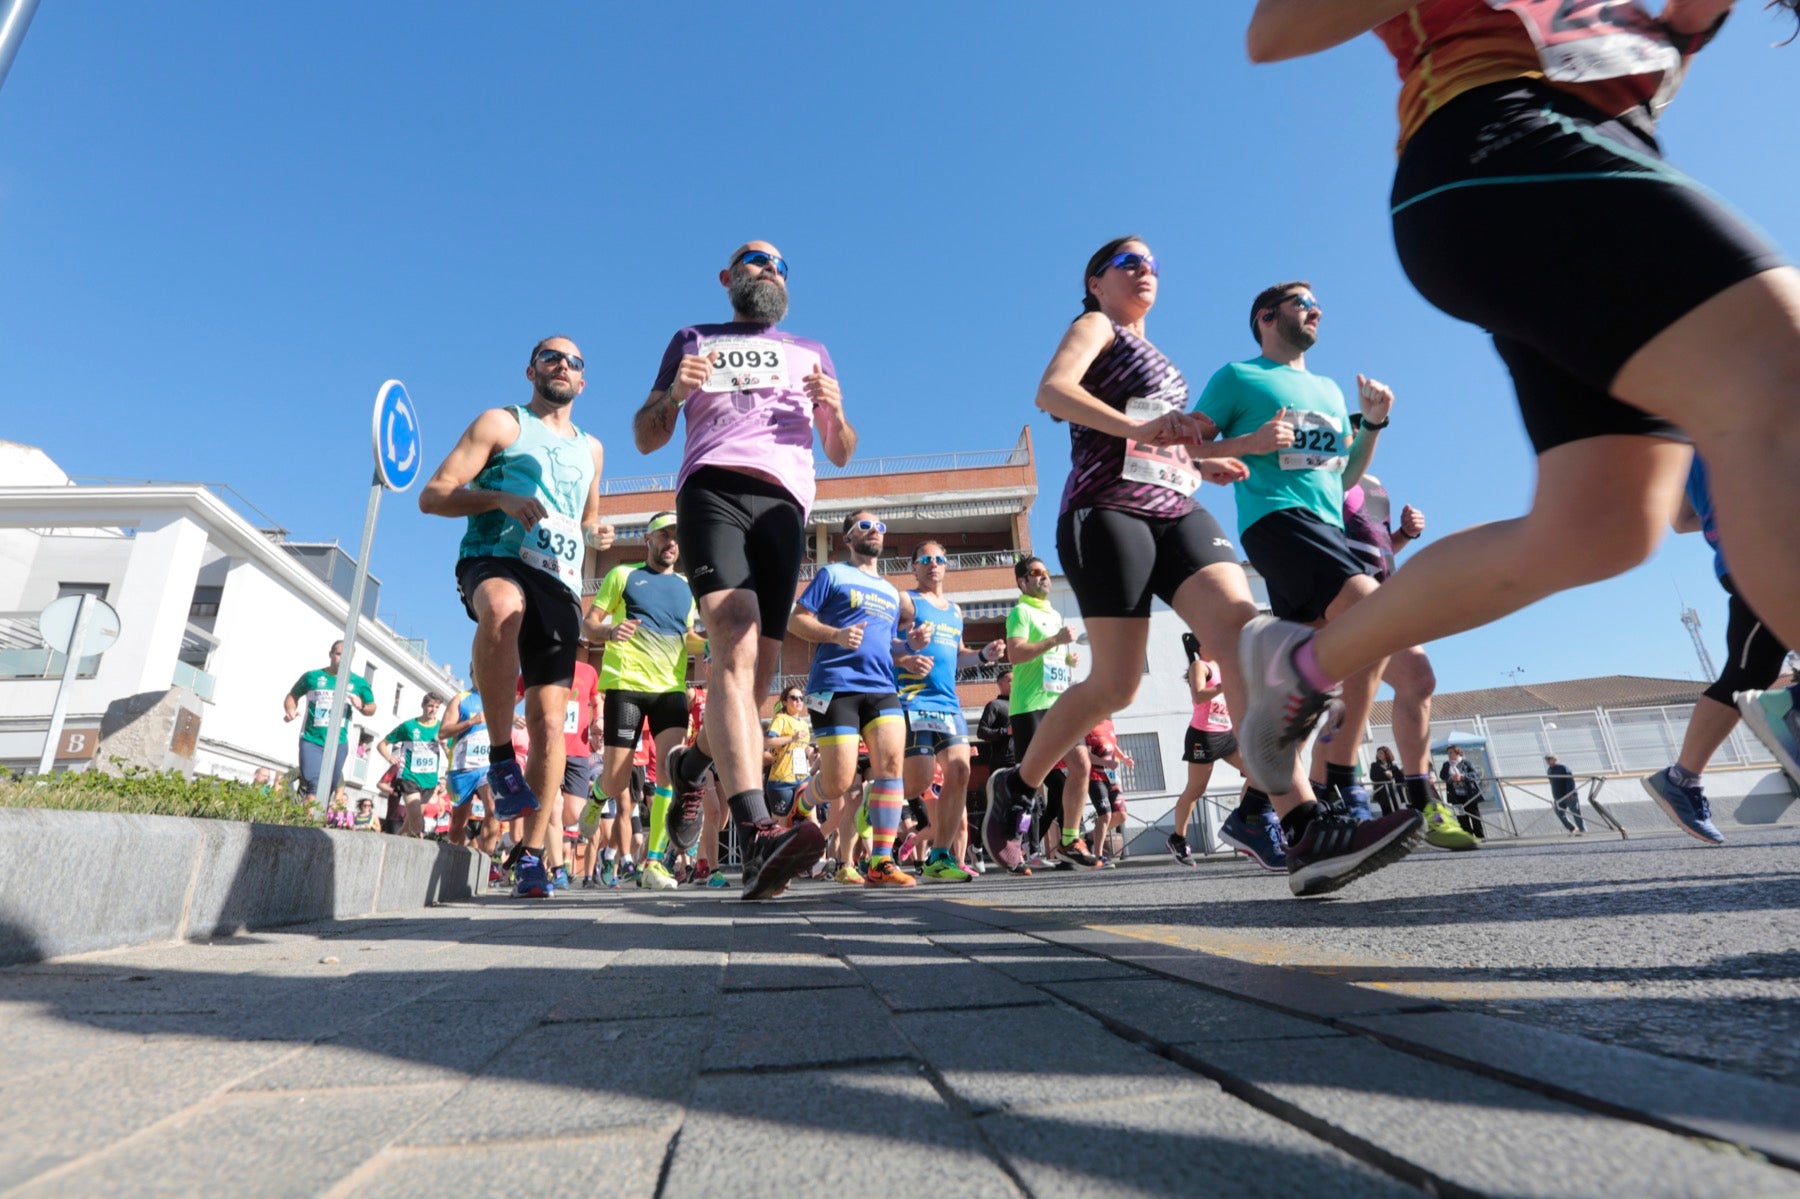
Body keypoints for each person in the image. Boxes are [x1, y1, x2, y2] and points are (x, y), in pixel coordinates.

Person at [1236, 3, 1800, 801]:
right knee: (1783, 373)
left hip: (1560, 180)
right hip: (1501, 150)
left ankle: (1300, 664)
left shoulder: (1648, 29)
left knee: (1602, 529)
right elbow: (1273, 33)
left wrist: (1689, 28)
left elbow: (1632, 63)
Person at [985, 237, 1421, 897]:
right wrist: (1142, 433)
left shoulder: (1166, 361)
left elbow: (1165, 441)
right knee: (1117, 684)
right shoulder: (1096, 324)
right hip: (1107, 509)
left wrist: (1205, 459)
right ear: (1096, 281)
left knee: (1242, 635)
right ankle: (1016, 784)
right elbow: (1054, 391)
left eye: (1153, 264)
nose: (1145, 271)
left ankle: (1298, 823)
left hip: (1176, 508)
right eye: (1129, 262)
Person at [634, 241, 852, 900]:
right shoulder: (693, 337)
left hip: (786, 505)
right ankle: (760, 830)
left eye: (780, 265)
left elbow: (841, 451)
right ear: (728, 278)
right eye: (755, 261)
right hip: (712, 488)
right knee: (733, 631)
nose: (769, 270)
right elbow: (647, 433)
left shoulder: (811, 349)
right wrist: (673, 393)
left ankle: (694, 763)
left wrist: (835, 411)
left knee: (755, 676)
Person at [1192, 282, 1435, 838]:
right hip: (1277, 519)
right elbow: (1187, 451)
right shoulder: (1238, 376)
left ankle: (1255, 810)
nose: (1316, 309)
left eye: (1316, 303)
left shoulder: (1326, 388)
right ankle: (1340, 778)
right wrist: (1250, 443)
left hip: (1327, 528)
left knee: (1306, 684)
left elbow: (1342, 478)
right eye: (1303, 302)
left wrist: (1371, 425)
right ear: (1266, 317)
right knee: (1373, 616)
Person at [417, 334, 612, 899]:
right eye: (551, 356)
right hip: (495, 556)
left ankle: (529, 854)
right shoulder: (500, 424)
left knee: (552, 723)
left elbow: (589, 517)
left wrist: (597, 531)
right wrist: (498, 499)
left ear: (583, 380)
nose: (562, 365)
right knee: (502, 607)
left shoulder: (593, 449)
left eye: (574, 361)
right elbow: (434, 495)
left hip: (560, 580)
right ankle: (502, 755)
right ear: (531, 370)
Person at [1644, 455, 1793, 842]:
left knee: (1752, 670)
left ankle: (1681, 778)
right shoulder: (1752, 400)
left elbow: (1680, 521)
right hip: (1772, 550)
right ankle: (1788, 706)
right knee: (1749, 672)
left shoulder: (1681, 438)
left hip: (1751, 552)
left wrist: (1719, 520)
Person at [1338, 469, 1476, 850]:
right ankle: (1293, 812)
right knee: (1335, 711)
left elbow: (1373, 545)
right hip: (1334, 597)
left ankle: (1423, 800)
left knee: (1417, 679)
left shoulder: (1374, 481)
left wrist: (1405, 534)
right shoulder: (1321, 463)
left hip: (1381, 595)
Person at [787, 511, 914, 888]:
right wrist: (836, 635)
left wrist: (909, 647)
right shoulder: (832, 574)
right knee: (839, 781)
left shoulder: (892, 592)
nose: (875, 530)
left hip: (881, 686)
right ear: (847, 538)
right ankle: (801, 804)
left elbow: (885, 643)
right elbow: (797, 619)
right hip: (835, 684)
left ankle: (881, 861)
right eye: (865, 525)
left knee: (891, 766)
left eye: (880, 526)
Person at [584, 511, 705, 891]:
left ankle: (652, 863)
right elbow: (589, 623)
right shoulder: (622, 575)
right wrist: (609, 630)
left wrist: (712, 643)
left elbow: (688, 636)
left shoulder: (688, 587)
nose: (671, 542)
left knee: (670, 771)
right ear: (647, 541)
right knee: (617, 777)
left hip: (670, 688)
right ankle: (599, 793)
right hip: (626, 684)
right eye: (663, 535)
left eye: (676, 536)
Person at [896, 539, 1007, 883]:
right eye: (925, 559)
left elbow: (959, 655)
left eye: (939, 559)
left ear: (946, 565)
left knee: (960, 772)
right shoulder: (906, 601)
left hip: (947, 703)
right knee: (918, 781)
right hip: (913, 700)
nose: (933, 564)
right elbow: (881, 643)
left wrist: (984, 656)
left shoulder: (955, 611)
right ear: (913, 567)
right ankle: (874, 800)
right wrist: (905, 655)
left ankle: (940, 856)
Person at [987, 556, 1097, 873]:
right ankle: (1012, 843)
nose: (1044, 578)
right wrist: (1056, 640)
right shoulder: (1021, 612)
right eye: (1036, 573)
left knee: (1081, 766)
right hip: (1030, 707)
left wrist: (1068, 660)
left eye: (1046, 573)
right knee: (1030, 785)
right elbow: (1016, 653)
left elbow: (1050, 661)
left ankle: (1070, 840)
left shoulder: (1054, 614)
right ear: (1022, 581)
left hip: (1059, 704)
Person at [283, 640, 377, 807]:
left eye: (347, 656)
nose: (342, 659)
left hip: (338, 743)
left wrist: (361, 706)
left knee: (328, 789)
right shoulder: (312, 677)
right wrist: (290, 709)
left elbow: (372, 708)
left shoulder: (359, 683)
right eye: (339, 654)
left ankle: (311, 823)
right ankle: (308, 828)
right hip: (312, 739)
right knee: (315, 784)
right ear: (331, 654)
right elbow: (292, 696)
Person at [440, 680, 497, 850]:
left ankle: (487, 864)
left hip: (486, 767)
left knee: (494, 809)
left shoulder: (496, 699)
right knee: (459, 822)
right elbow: (442, 732)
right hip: (461, 767)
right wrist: (470, 722)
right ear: (472, 673)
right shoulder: (460, 699)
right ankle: (454, 859)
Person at [377, 695, 444, 836]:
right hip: (409, 777)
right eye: (431, 706)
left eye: (437, 707)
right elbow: (381, 744)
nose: (433, 710)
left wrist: (444, 745)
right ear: (423, 705)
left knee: (409, 825)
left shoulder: (442, 728)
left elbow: (451, 753)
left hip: (430, 781)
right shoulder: (408, 726)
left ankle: (393, 847)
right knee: (417, 822)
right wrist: (390, 757)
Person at [764, 686, 814, 821]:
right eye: (793, 698)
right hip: (782, 781)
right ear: (785, 702)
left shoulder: (804, 724)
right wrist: (792, 738)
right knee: (782, 826)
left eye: (801, 698)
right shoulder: (781, 719)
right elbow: (767, 742)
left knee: (812, 822)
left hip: (803, 778)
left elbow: (802, 747)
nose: (798, 700)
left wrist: (810, 752)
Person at [1439, 746, 1485, 840]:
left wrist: (1462, 777)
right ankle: (1468, 838)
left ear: (1457, 753)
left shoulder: (1466, 763)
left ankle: (1480, 837)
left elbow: (1475, 774)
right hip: (1456, 797)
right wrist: (1451, 778)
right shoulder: (1446, 765)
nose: (1449, 755)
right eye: (1448, 753)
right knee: (1461, 818)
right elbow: (1442, 776)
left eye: (1451, 752)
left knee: (1475, 817)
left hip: (1469, 796)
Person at [1546, 755, 1586, 835]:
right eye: (1547, 760)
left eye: (1549, 759)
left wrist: (1570, 792)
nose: (1548, 761)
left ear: (1555, 759)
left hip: (1569, 795)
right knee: (1559, 812)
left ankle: (1583, 830)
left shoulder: (1563, 768)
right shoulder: (1549, 770)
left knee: (1575, 813)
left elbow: (1570, 779)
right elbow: (1552, 783)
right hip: (1558, 797)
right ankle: (1572, 828)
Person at [1369, 746, 1403, 818]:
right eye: (1378, 753)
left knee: (1398, 814)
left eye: (1381, 753)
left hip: (1394, 794)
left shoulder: (1393, 766)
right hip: (1382, 794)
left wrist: (1392, 776)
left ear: (1387, 754)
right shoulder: (1375, 765)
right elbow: (1373, 777)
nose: (1379, 755)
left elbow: (1400, 779)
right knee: (1387, 814)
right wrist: (1384, 774)